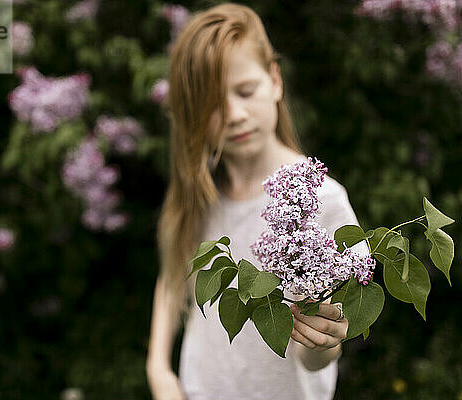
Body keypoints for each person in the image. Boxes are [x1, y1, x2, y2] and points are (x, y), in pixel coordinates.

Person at [146, 3, 364, 400]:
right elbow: (173, 276)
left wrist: (325, 340)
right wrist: (159, 369)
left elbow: (317, 352)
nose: (233, 114)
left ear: (275, 80)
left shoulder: (320, 201)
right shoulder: (201, 194)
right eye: (212, 104)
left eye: (245, 91)